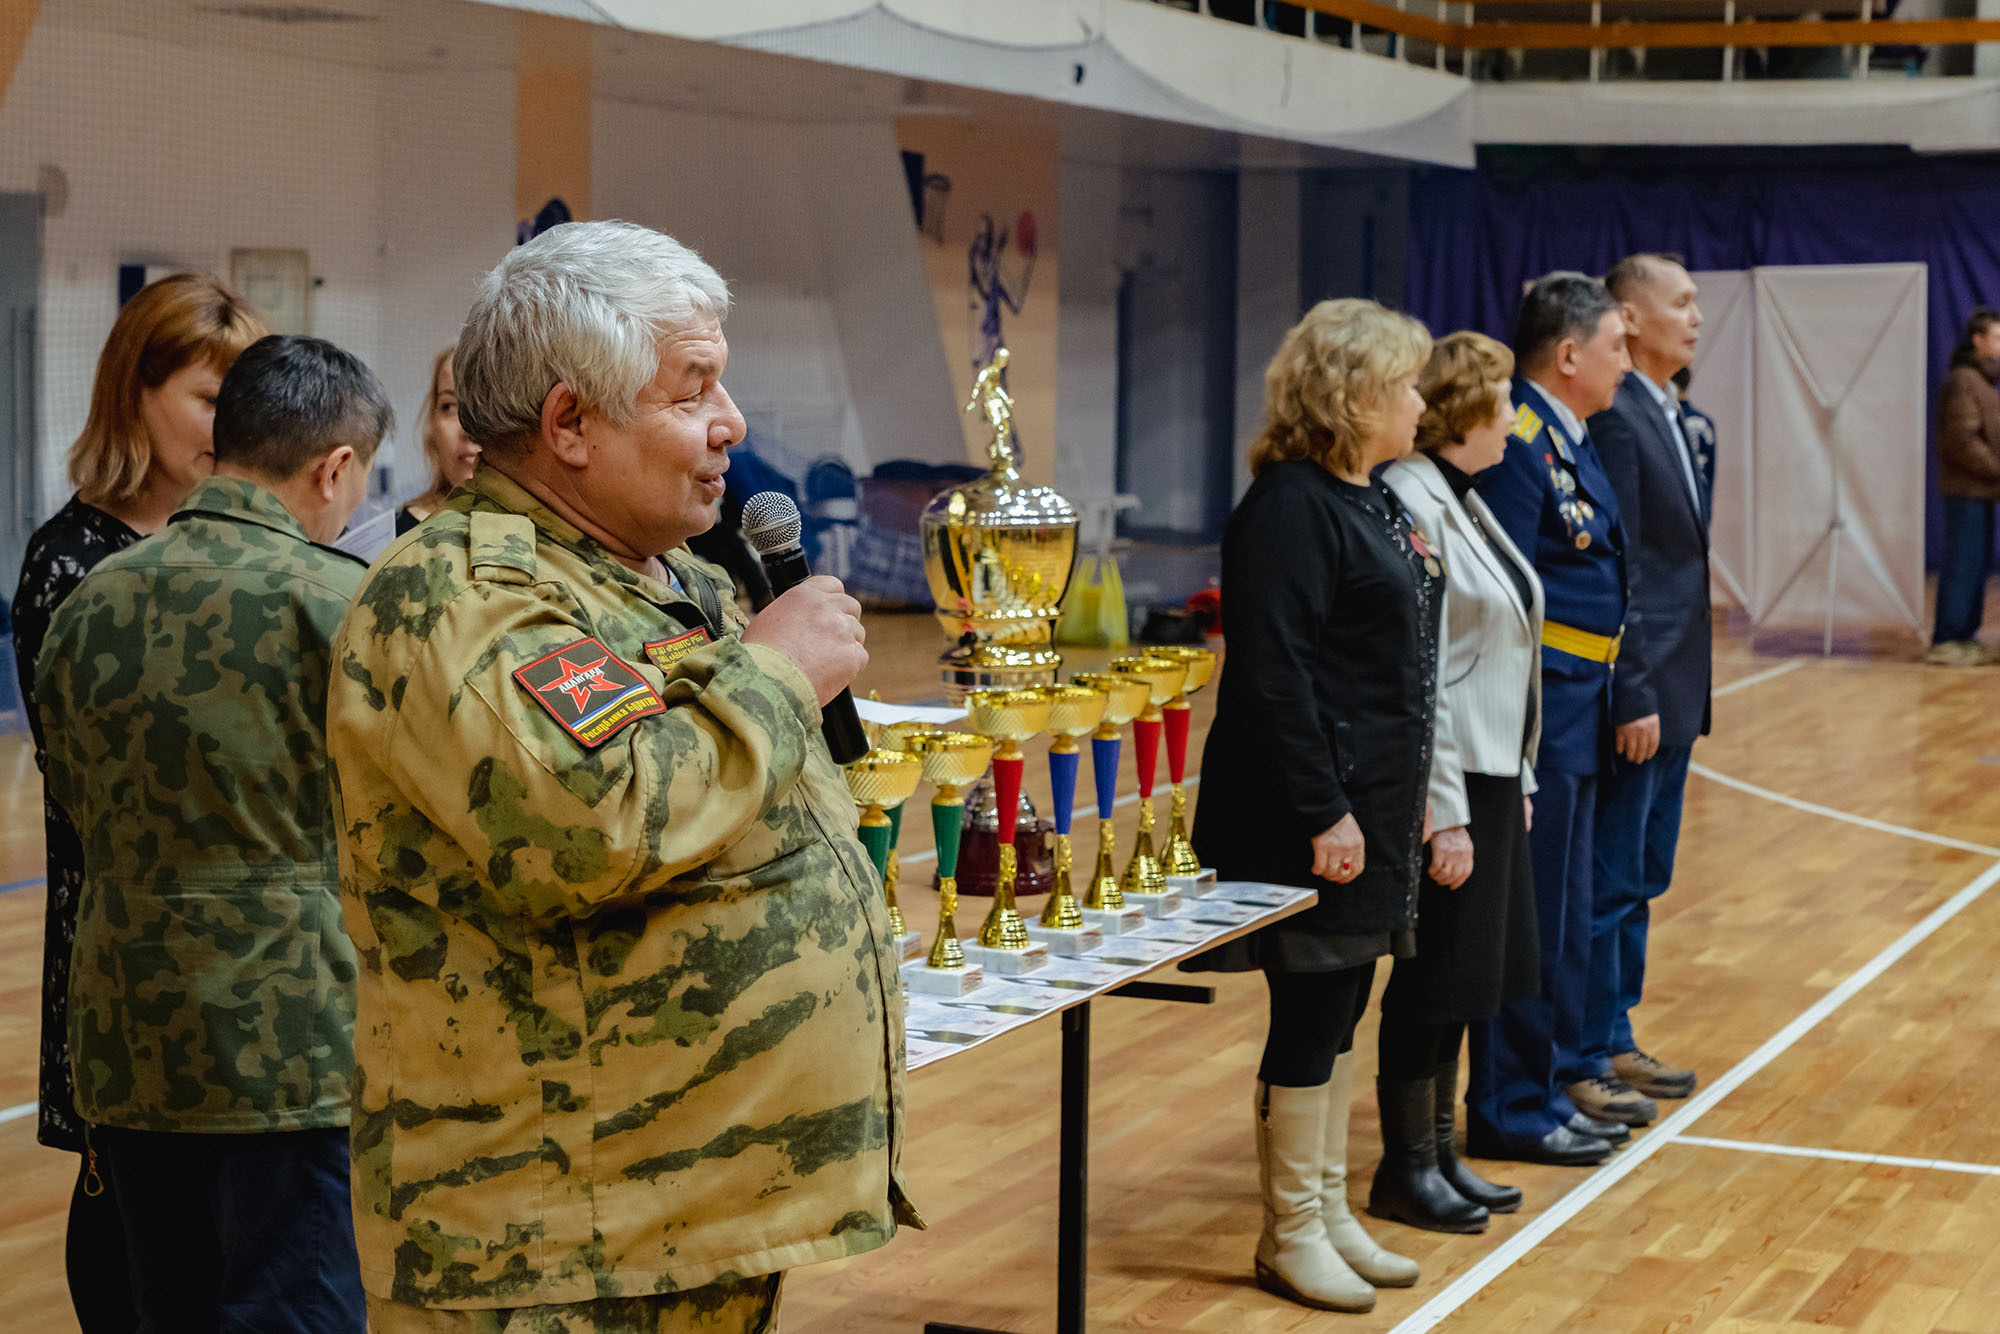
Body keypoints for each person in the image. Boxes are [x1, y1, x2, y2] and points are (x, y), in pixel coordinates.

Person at [327, 220, 914, 1334]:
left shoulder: (663, 574)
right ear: (568, 423)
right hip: (551, 1244)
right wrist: (780, 674)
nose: (729, 424)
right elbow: (592, 829)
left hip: (682, 1207)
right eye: (693, 391)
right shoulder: (460, 594)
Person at [35, 333, 388, 1330]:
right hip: (295, 1057)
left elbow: (72, 804)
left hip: (125, 1046)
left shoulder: (88, 604)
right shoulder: (342, 604)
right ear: (335, 467)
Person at [9, 271, 264, 1334]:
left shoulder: (255, 546)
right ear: (135, 392)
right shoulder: (71, 563)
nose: (225, 427)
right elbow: (106, 783)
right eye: (208, 399)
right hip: (132, 935)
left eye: (242, 404)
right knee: (129, 1205)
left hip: (254, 941)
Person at [1183, 298, 1438, 1313]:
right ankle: (1288, 1230)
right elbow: (1273, 678)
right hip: (1312, 810)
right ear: (1354, 393)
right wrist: (1324, 809)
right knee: (1311, 1007)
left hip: (1373, 800)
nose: (1419, 402)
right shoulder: (1286, 505)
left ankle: (1326, 1210)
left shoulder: (1368, 494)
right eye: (1406, 384)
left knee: (1344, 1004)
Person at [1376, 331, 1545, 1232]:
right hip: (1446, 778)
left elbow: (1507, 639)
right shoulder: (1413, 495)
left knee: (1467, 977)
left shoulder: (1461, 496)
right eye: (1504, 400)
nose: (1515, 420)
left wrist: (1516, 767)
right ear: (1468, 410)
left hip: (1488, 768)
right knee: (1434, 976)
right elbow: (1429, 668)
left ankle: (1439, 1151)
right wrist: (1445, 810)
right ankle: (1406, 1167)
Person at [1468, 272, 1632, 1168]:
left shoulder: (1569, 435)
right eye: (1616, 346)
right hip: (1537, 708)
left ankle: (1552, 1076)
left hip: (1579, 699)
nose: (1626, 363)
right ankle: (1509, 1102)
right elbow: (1500, 595)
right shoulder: (1520, 439)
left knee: (1563, 916)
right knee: (1528, 917)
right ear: (1569, 354)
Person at [1578, 254, 1714, 1122]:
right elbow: (1619, 570)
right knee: (1613, 874)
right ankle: (1588, 1044)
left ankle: (1616, 1030)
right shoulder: (1619, 416)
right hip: (1643, 688)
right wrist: (1633, 691)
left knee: (1645, 873)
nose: (1697, 316)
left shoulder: (1675, 411)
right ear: (1628, 315)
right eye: (1682, 302)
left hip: (1681, 682)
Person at [1928, 306, 2000, 665]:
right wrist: (1997, 469)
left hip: (1984, 491)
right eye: (1998, 338)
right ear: (1978, 341)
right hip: (1966, 492)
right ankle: (1947, 639)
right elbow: (1962, 441)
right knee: (1962, 563)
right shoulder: (1963, 381)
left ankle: (1966, 637)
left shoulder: (1983, 382)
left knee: (1978, 565)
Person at [396, 344, 481, 534]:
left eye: (484, 406)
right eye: (450, 407)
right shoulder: (396, 538)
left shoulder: (544, 532)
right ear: (432, 425)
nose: (468, 428)